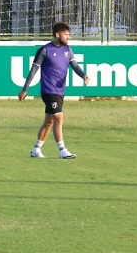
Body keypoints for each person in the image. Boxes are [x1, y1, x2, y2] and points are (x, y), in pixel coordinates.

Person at [18, 21, 89, 159]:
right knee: (59, 117)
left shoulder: (68, 50)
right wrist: (25, 89)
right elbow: (33, 70)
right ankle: (62, 151)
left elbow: (74, 66)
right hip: (48, 90)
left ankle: (36, 149)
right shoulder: (45, 50)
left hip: (60, 91)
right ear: (57, 35)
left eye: (69, 35)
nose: (68, 37)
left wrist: (83, 75)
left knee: (49, 121)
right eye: (66, 34)